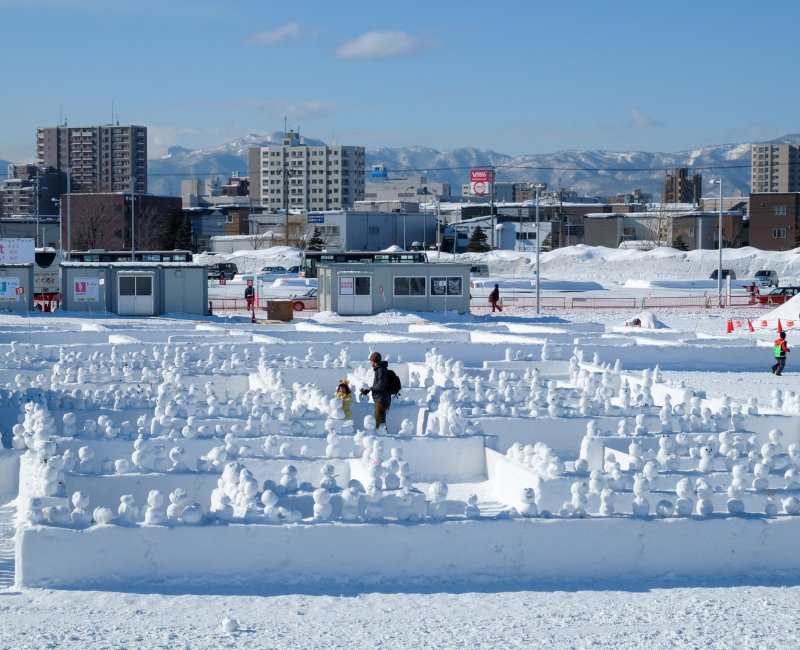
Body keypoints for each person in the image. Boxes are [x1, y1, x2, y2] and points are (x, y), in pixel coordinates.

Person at [361, 351, 391, 429]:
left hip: (381, 400)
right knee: (380, 422)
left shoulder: (381, 370)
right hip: (380, 399)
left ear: (374, 361)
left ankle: (383, 438)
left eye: (370, 361)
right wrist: (369, 389)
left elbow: (381, 386)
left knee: (380, 424)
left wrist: (370, 388)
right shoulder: (379, 369)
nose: (370, 363)